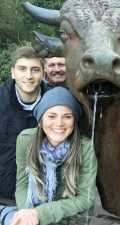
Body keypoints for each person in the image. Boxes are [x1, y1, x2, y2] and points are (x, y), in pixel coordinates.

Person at [8, 87, 97, 225]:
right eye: (51, 116)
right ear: (40, 121)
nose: (59, 123)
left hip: (71, 216)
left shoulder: (86, 147)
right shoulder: (25, 140)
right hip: (32, 210)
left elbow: (86, 198)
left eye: (67, 117)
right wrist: (27, 213)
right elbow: (22, 185)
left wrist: (40, 213)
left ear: (74, 121)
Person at [0, 46, 48, 212]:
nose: (28, 76)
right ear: (13, 72)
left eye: (35, 70)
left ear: (43, 73)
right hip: (3, 198)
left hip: (44, 199)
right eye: (22, 69)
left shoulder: (56, 106)